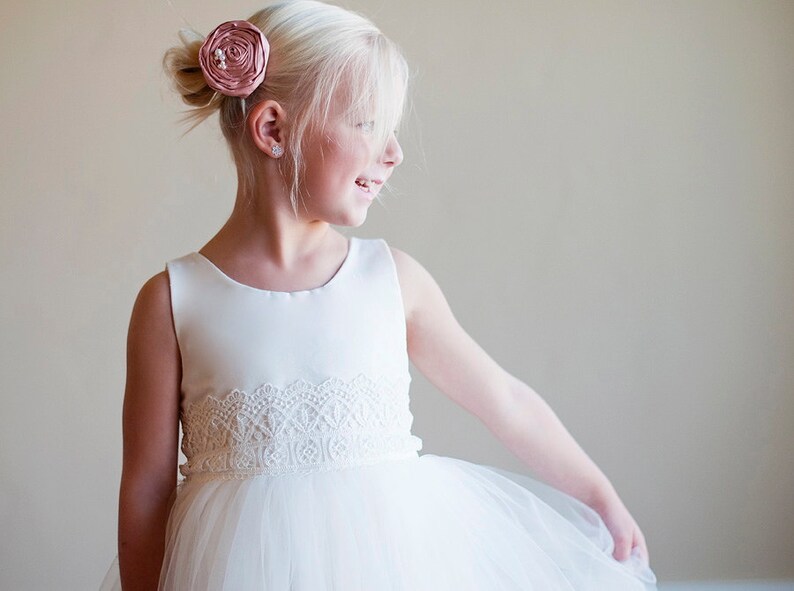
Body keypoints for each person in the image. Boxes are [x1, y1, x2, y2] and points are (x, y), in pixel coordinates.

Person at [100, 1, 658, 589]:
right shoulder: (171, 302)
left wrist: (601, 497)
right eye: (367, 124)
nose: (393, 153)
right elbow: (146, 489)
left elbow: (507, 401)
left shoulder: (392, 279)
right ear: (273, 129)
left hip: (394, 561)